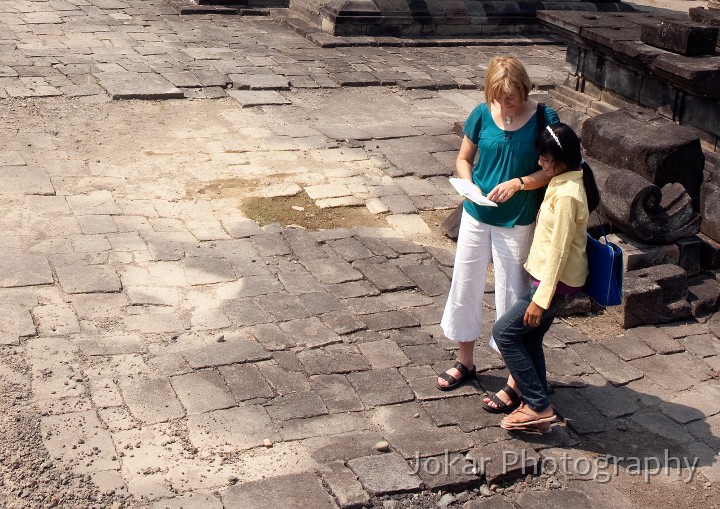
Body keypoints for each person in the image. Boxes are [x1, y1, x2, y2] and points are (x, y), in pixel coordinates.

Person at [436, 56, 559, 396]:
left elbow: (552, 169)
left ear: (524, 88)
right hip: (478, 213)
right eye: (500, 96)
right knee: (465, 283)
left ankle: (515, 376)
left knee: (512, 293)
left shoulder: (543, 119)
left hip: (516, 217)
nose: (507, 103)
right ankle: (466, 360)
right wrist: (470, 187)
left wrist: (519, 182)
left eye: (513, 95)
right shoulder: (480, 114)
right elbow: (463, 159)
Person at [493, 123, 600, 433]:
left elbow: (559, 251)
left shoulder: (568, 194)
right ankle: (535, 398)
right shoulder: (564, 180)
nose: (540, 164)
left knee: (505, 334)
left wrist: (540, 300)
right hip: (550, 282)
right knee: (530, 337)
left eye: (544, 159)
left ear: (561, 160)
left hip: (555, 285)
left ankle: (539, 406)